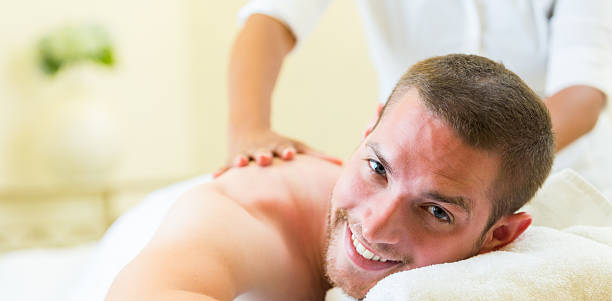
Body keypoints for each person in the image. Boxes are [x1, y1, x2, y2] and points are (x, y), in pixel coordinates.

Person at [86, 54, 557, 301]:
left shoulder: (522, 262)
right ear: (368, 130)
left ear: (500, 236)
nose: (375, 224)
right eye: (377, 168)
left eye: (435, 211)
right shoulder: (246, 210)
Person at [224, 0, 612, 197]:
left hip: (559, 174)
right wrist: (250, 131)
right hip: (400, 170)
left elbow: (581, 94)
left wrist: (480, 170)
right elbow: (270, 20)